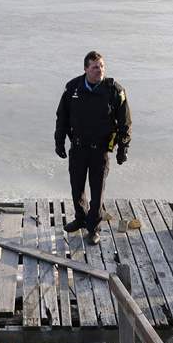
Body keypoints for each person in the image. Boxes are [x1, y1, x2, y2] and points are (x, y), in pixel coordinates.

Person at [54, 50, 132, 245]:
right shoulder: (72, 88)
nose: (100, 70)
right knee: (77, 187)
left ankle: (93, 228)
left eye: (102, 66)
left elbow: (125, 122)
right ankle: (80, 218)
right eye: (95, 67)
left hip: (100, 150)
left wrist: (123, 148)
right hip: (78, 148)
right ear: (86, 69)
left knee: (97, 191)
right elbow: (62, 117)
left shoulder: (114, 91)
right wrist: (59, 141)